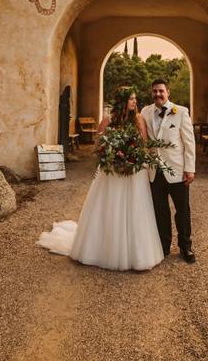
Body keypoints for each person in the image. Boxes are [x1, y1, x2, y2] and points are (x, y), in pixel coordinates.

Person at [36, 86, 164, 271]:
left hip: (134, 172)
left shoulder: (138, 119)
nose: (135, 102)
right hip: (112, 172)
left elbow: (143, 145)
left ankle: (137, 253)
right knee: (110, 207)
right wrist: (114, 157)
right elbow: (98, 146)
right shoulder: (108, 120)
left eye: (135, 99)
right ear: (122, 101)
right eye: (131, 99)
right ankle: (104, 248)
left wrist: (132, 157)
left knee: (136, 208)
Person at [141, 78, 196, 263]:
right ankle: (163, 247)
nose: (157, 94)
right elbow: (144, 140)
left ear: (168, 92)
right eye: (154, 91)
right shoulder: (145, 112)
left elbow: (189, 142)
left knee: (182, 211)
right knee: (160, 211)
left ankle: (185, 247)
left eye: (161, 91)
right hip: (154, 171)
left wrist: (190, 169)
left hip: (177, 170)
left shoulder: (180, 112)